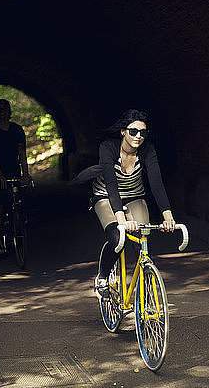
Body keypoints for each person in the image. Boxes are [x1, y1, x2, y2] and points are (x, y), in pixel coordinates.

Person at [70, 109, 176, 298]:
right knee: (118, 239)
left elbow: (156, 184)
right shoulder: (108, 147)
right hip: (105, 196)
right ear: (123, 131)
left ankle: (144, 290)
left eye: (143, 132)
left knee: (141, 241)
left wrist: (168, 216)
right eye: (133, 131)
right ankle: (102, 278)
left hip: (135, 196)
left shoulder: (147, 150)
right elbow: (111, 184)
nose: (138, 136)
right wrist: (121, 220)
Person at [0, 99, 32, 255]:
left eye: (5, 109)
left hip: (13, 171)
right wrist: (0, 176)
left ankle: (18, 227)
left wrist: (25, 174)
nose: (2, 112)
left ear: (10, 112)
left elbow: (22, 153)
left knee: (17, 200)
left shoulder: (17, 130)